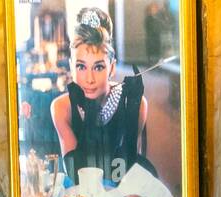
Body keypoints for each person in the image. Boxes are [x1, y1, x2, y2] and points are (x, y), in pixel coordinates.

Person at [50, 7, 155, 185]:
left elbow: (129, 173)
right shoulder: (61, 108)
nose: (89, 79)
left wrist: (131, 114)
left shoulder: (137, 105)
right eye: (81, 66)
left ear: (112, 68)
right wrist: (90, 114)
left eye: (98, 67)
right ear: (71, 67)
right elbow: (76, 176)